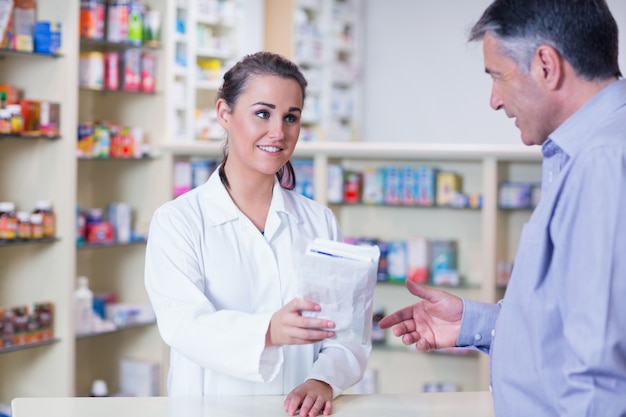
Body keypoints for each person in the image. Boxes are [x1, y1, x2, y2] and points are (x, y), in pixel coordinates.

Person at [379, 0, 626, 415]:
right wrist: (478, 324)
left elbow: (601, 372)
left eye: (498, 76)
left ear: (546, 65)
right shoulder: (584, 150)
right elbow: (572, 321)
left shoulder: (603, 160)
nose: (494, 100)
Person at [144, 51, 370, 417]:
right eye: (262, 113)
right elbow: (183, 325)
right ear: (224, 113)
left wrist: (323, 380)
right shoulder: (178, 221)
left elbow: (347, 332)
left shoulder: (319, 221)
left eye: (290, 117)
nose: (278, 132)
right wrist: (268, 330)